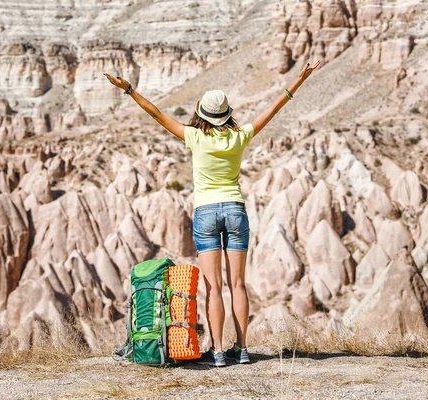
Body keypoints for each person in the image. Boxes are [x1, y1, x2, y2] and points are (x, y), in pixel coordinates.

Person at [104, 60, 320, 367]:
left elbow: (156, 113)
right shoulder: (239, 136)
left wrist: (128, 89)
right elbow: (272, 111)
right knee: (239, 285)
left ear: (202, 114)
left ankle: (218, 351)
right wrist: (297, 82)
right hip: (235, 209)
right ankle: (242, 349)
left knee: (213, 287)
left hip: (205, 212)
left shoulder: (195, 137)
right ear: (227, 114)